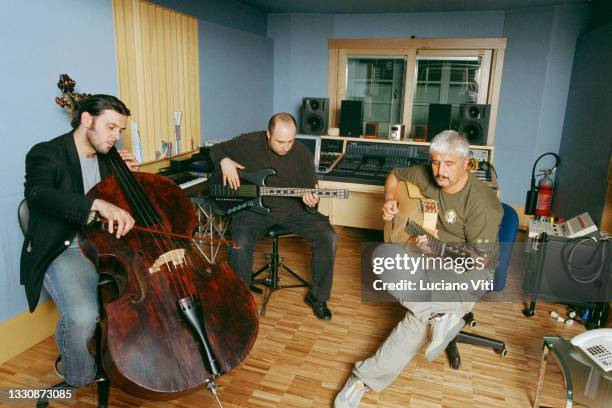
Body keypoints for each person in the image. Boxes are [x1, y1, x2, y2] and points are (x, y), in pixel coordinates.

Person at [334, 130, 502, 407]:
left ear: (465, 162)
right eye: (436, 162)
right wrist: (389, 200)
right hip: (430, 255)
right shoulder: (427, 174)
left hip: (469, 271)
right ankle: (439, 316)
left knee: (417, 318)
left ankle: (362, 379)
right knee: (382, 255)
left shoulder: (482, 203)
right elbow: (395, 176)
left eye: (449, 164)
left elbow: (479, 261)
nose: (440, 171)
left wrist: (437, 249)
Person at [21, 94, 138, 387]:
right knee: (84, 316)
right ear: (87, 119)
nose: (116, 136)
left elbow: (122, 204)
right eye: (111, 127)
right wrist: (95, 205)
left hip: (106, 243)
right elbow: (39, 194)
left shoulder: (109, 156)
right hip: (67, 247)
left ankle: (129, 358)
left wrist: (129, 178)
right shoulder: (46, 153)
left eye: (120, 131)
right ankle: (78, 375)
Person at [209, 113, 336, 320]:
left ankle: (318, 297)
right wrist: (224, 160)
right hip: (252, 210)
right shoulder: (248, 142)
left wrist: (312, 203)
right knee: (239, 242)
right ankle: (239, 301)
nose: (286, 147)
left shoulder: (302, 155)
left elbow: (311, 195)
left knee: (327, 236)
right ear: (268, 134)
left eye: (291, 141)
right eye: (280, 141)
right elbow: (215, 149)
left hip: (291, 209)